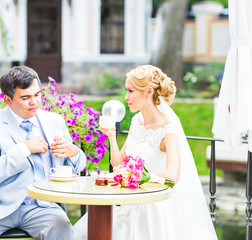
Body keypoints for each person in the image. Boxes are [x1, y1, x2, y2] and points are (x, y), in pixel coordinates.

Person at [73, 65, 217, 240]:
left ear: (148, 92)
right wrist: (111, 137)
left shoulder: (167, 129)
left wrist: (135, 176)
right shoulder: (136, 121)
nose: (126, 97)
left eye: (130, 91)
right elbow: (118, 163)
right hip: (129, 197)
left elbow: (172, 175)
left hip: (154, 201)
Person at [0, 66, 86, 240]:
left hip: (42, 209)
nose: (34, 102)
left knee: (63, 229)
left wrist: (74, 153)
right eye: (25, 98)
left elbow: (78, 166)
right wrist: (24, 149)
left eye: (37, 95)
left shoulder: (54, 121)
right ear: (8, 100)